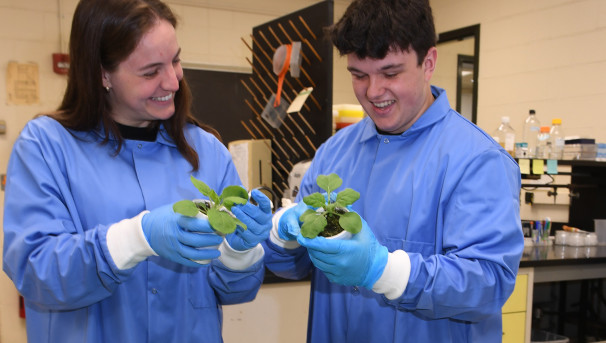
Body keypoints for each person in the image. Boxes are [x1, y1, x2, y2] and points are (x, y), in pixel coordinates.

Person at [2, 0, 272, 342]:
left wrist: (239, 253)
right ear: (102, 74)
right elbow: (35, 271)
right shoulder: (46, 146)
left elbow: (235, 293)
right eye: (150, 72)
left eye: (175, 60)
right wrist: (136, 238)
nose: (172, 82)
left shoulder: (208, 153)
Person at [263, 0, 524, 341]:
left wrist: (381, 270)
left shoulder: (476, 160)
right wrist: (281, 237)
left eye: (390, 73)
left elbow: (488, 282)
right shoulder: (333, 154)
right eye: (359, 75)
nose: (373, 92)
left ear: (428, 62)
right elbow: (294, 266)